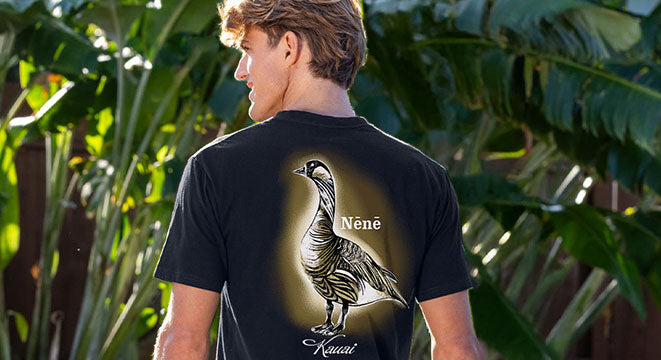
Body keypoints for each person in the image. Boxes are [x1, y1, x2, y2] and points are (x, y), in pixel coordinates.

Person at [149, 0, 483, 359]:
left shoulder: (215, 168)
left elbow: (184, 340)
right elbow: (457, 347)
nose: (241, 72)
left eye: (248, 50)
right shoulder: (423, 177)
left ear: (290, 48)